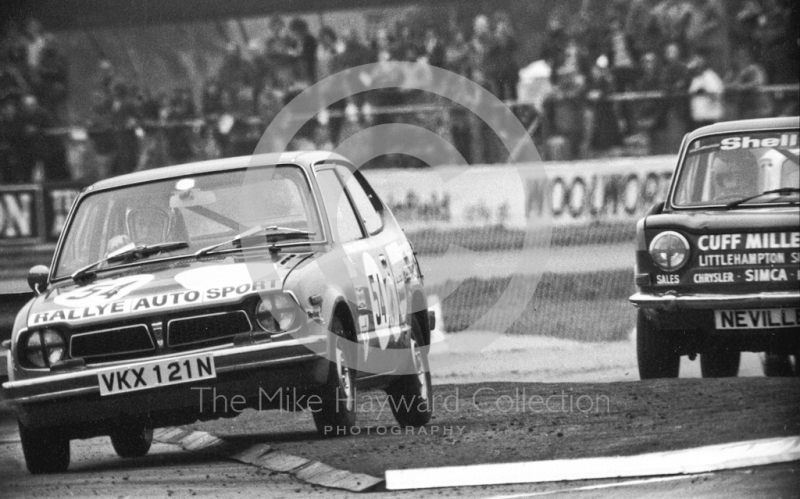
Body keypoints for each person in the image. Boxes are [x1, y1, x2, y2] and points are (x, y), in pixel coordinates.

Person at [687, 53, 724, 130]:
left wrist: (703, 91)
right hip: (698, 117)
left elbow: (716, 94)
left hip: (709, 117)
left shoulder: (710, 76)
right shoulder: (696, 78)